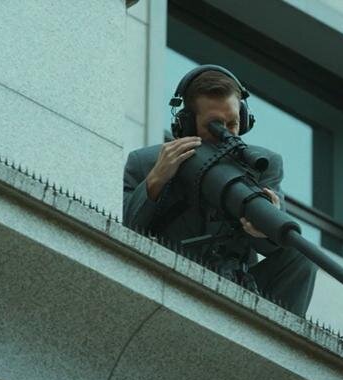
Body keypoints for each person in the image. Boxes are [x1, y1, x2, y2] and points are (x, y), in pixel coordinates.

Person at [122, 65, 317, 317]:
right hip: (167, 278)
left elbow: (274, 248)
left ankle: (276, 336)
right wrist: (156, 180)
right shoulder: (145, 162)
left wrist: (266, 227)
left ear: (244, 119)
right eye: (214, 125)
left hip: (239, 287)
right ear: (187, 123)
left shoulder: (262, 164)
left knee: (302, 254)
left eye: (233, 123)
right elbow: (123, 230)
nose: (226, 132)